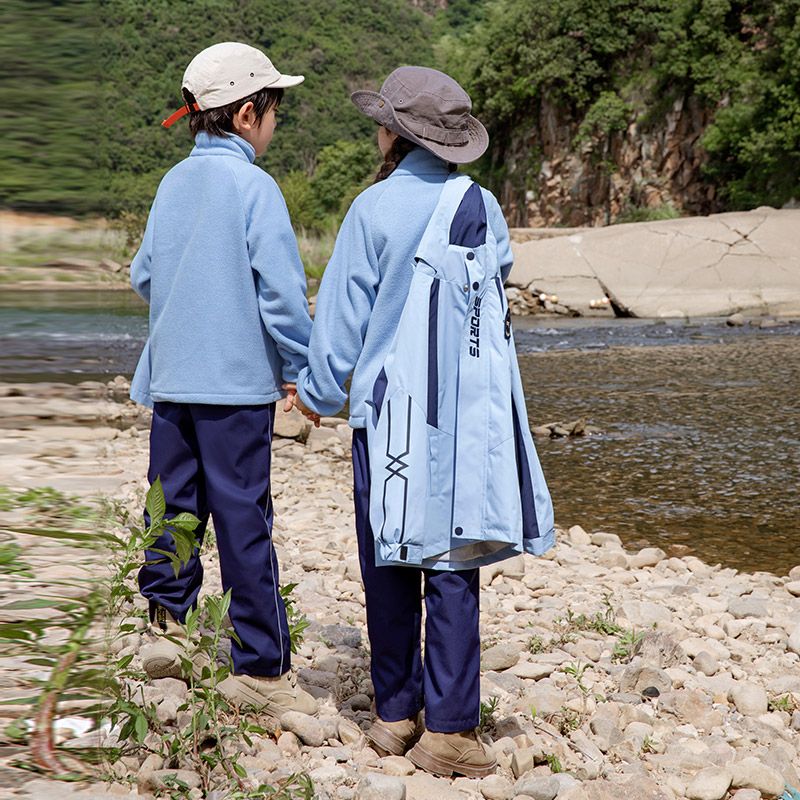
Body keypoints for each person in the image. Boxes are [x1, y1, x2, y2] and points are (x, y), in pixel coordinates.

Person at [293, 67, 555, 777]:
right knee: (452, 563)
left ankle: (393, 715)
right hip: (462, 421)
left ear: (392, 133)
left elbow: (343, 323)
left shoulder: (371, 210)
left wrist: (315, 394)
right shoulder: (483, 206)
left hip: (387, 418)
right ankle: (451, 728)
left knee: (388, 557)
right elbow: (488, 289)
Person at [129, 42, 317, 718]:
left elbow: (144, 276)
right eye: (275, 111)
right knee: (243, 515)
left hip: (172, 379)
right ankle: (262, 669)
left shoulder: (172, 183)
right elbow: (283, 296)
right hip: (235, 386)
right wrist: (299, 371)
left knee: (173, 502)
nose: (276, 124)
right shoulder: (254, 188)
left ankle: (168, 626)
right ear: (245, 115)